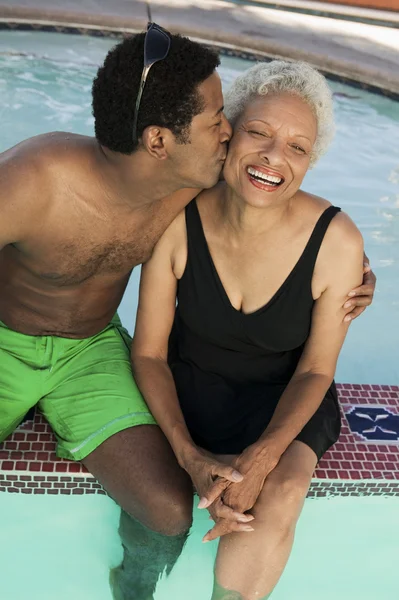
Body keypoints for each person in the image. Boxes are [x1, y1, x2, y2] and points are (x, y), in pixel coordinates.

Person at [0, 24, 373, 598]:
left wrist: (352, 274)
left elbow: (281, 218)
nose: (228, 135)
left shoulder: (189, 187)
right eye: (221, 121)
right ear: (158, 142)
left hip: (93, 352)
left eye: (226, 117)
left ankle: (135, 586)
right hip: (10, 343)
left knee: (170, 510)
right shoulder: (42, 179)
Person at [122, 60, 370, 600]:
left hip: (285, 397)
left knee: (279, 494)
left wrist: (262, 457)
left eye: (297, 147)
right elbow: (148, 355)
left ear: (309, 162)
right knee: (150, 505)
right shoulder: (177, 219)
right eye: (259, 133)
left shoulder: (337, 241)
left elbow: (316, 370)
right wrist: (187, 454)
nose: (274, 157)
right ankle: (134, 584)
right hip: (186, 385)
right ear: (230, 135)